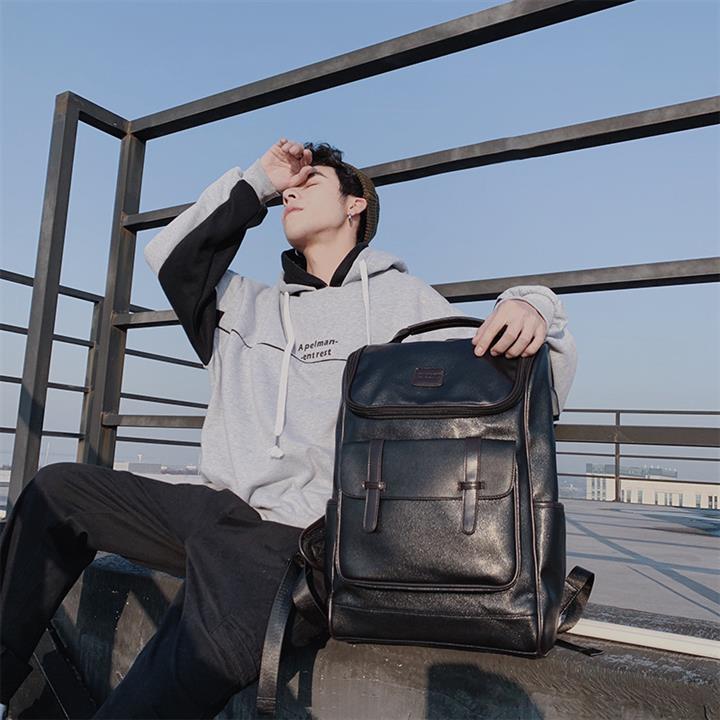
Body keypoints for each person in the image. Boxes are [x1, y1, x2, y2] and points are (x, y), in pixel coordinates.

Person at [0, 138, 577, 718]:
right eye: (287, 191)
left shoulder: (406, 304)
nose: (291, 194)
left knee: (166, 682)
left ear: (355, 206)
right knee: (57, 492)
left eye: (311, 181)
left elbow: (518, 392)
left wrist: (534, 306)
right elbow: (171, 253)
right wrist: (261, 179)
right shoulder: (242, 305)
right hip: (218, 511)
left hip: (303, 541)